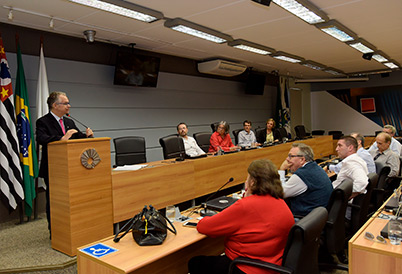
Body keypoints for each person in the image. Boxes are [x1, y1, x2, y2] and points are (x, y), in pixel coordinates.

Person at [188, 159, 294, 274]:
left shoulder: (246, 206)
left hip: (245, 267)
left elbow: (204, 227)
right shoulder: (281, 202)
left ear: (252, 182)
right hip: (273, 265)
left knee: (195, 262)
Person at [36, 91, 93, 234]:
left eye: (68, 102)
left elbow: (77, 137)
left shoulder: (69, 121)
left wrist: (87, 136)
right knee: (55, 200)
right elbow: (41, 138)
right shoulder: (43, 121)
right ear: (55, 105)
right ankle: (55, 231)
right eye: (65, 103)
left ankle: (73, 228)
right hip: (53, 169)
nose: (69, 106)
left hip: (72, 168)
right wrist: (61, 139)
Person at [279, 143, 333, 216]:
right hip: (319, 218)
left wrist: (282, 170)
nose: (287, 159)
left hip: (305, 220)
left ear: (302, 159)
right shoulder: (316, 167)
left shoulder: (301, 175)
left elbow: (280, 193)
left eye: (291, 156)